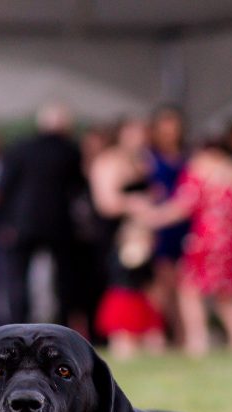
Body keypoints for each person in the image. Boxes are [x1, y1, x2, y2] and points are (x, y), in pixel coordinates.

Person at [130, 144, 232, 356]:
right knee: (225, 295)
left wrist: (151, 216)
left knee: (190, 289)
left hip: (210, 240)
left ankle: (197, 341)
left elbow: (182, 206)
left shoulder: (200, 170)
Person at [0, 103, 86, 326]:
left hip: (22, 223)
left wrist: (5, 221)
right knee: (63, 279)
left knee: (18, 279)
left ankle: (18, 323)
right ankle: (63, 323)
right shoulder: (69, 150)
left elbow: (4, 188)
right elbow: (78, 188)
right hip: (59, 224)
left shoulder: (20, 148)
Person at [89, 118, 165, 358]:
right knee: (125, 289)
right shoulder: (108, 161)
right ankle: (124, 342)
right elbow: (105, 203)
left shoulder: (144, 160)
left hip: (143, 236)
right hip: (119, 237)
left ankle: (148, 340)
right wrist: (134, 203)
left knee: (147, 289)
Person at [146, 105, 189, 343]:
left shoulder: (187, 156)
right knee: (165, 284)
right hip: (162, 225)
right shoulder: (149, 157)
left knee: (184, 284)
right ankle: (172, 332)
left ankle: (183, 332)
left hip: (184, 224)